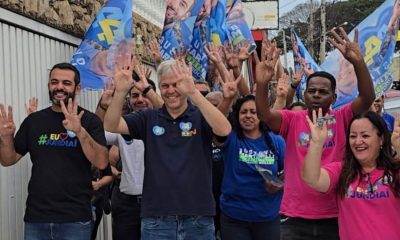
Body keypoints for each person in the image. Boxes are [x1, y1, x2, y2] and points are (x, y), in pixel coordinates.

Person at [255, 28, 375, 239]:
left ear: (334, 97)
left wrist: (358, 63)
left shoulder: (342, 118)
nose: (316, 95)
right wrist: (263, 83)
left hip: (335, 215)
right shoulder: (292, 120)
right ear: (305, 94)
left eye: (323, 91)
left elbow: (367, 98)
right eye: (312, 91)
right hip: (294, 218)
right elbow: (264, 115)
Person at [104, 59, 231, 240]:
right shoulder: (148, 117)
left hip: (198, 217)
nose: (170, 91)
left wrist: (194, 93)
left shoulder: (201, 116)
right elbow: (111, 124)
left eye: (176, 85)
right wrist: (120, 93)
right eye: (165, 86)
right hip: (157, 219)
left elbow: (224, 130)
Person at [0, 62, 108, 239]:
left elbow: (101, 162)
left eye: (66, 83)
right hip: (36, 219)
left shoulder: (89, 121)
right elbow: (8, 159)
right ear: (49, 85)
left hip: (75, 219)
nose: (59, 87)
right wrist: (5, 138)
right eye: (54, 82)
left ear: (77, 88)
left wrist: (79, 131)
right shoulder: (34, 121)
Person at [302, 110, 400, 240]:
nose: (358, 142)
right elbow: (312, 179)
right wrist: (316, 143)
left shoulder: (395, 170)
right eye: (353, 136)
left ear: (381, 139)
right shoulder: (342, 170)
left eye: (365, 136)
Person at [217, 95, 285, 240]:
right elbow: (215, 123)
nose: (248, 116)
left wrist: (278, 184)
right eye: (244, 112)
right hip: (234, 217)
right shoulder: (231, 137)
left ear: (261, 115)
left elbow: (291, 171)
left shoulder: (277, 141)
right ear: (237, 115)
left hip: (268, 216)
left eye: (253, 112)